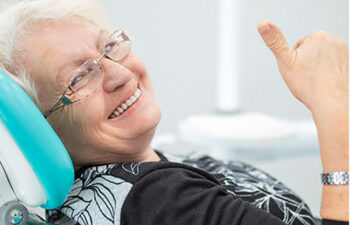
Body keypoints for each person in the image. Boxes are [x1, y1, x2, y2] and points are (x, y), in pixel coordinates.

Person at [0, 0, 348, 225]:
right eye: (79, 77)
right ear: (39, 128)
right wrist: (335, 111)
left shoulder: (139, 175)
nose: (122, 74)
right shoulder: (159, 200)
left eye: (109, 47)